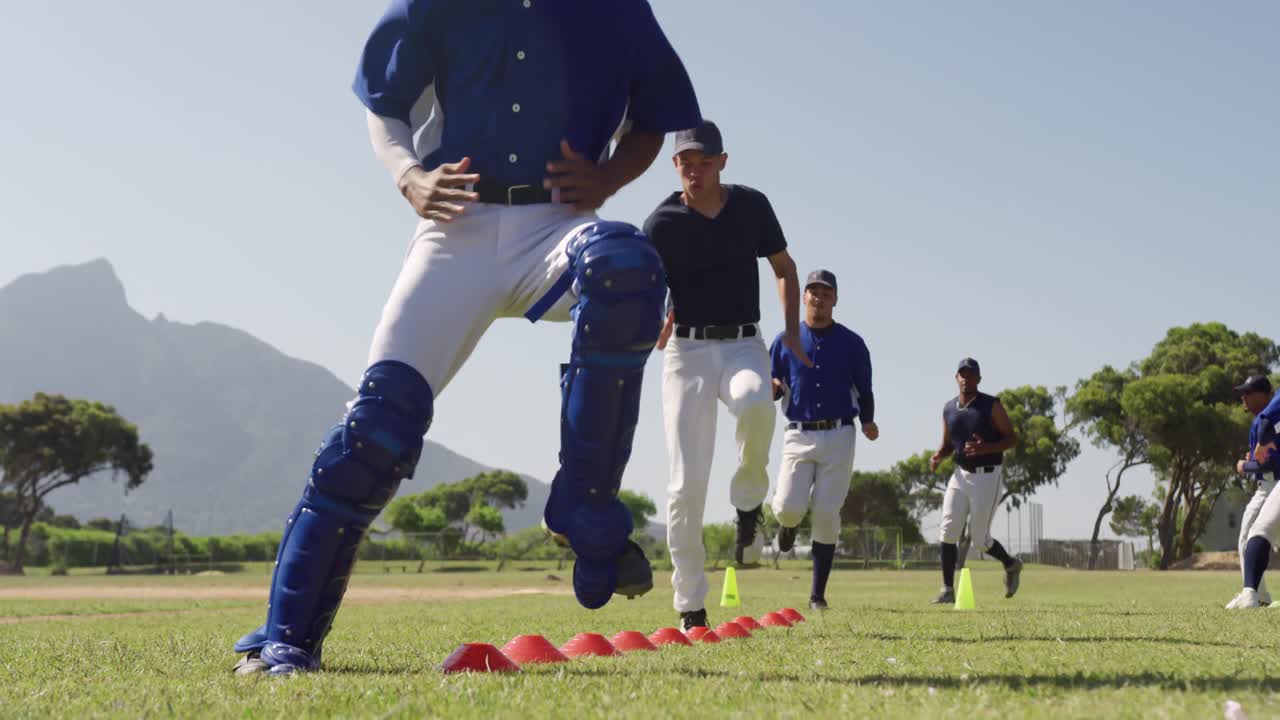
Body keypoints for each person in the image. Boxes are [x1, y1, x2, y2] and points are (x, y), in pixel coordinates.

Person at [230, 0, 701, 675]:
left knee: (626, 267)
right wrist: (408, 175)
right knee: (374, 435)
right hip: (457, 225)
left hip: (557, 225)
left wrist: (608, 177)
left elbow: (655, 112)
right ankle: (287, 640)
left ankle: (584, 502)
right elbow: (385, 103)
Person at [644, 120, 809, 630]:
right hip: (686, 353)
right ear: (675, 166)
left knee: (758, 403)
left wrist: (791, 334)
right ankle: (691, 606)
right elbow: (644, 282)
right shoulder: (661, 223)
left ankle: (746, 505)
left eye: (704, 162)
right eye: (685, 162)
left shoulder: (752, 206)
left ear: (722, 162)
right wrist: (656, 317)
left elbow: (785, 268)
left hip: (743, 343)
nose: (695, 170)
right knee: (684, 487)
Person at [769, 269, 878, 610]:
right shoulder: (785, 339)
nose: (819, 297)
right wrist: (771, 388)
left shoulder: (851, 342)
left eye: (826, 292)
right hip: (798, 434)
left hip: (839, 433)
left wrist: (869, 421)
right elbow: (774, 378)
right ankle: (787, 527)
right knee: (788, 507)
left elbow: (865, 387)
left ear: (835, 299)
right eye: (813, 291)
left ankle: (817, 595)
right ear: (803, 297)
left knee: (828, 513)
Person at [929, 358, 1022, 604]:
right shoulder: (949, 409)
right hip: (959, 476)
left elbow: (1011, 439)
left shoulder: (991, 405)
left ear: (979, 379)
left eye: (970, 374)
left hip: (987, 476)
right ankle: (947, 590)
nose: (965, 378)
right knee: (948, 530)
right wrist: (939, 455)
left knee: (980, 540)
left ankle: (1011, 565)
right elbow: (949, 444)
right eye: (961, 374)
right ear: (956, 377)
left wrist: (986, 448)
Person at [1225, 375, 1280, 609]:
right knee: (1252, 535)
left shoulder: (1268, 416)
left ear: (1264, 394)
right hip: (1267, 484)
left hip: (1271, 484)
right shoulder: (1260, 420)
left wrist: (1244, 466)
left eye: (1249, 392)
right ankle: (1257, 594)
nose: (1243, 397)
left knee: (1253, 534)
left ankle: (1254, 594)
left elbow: (1271, 463)